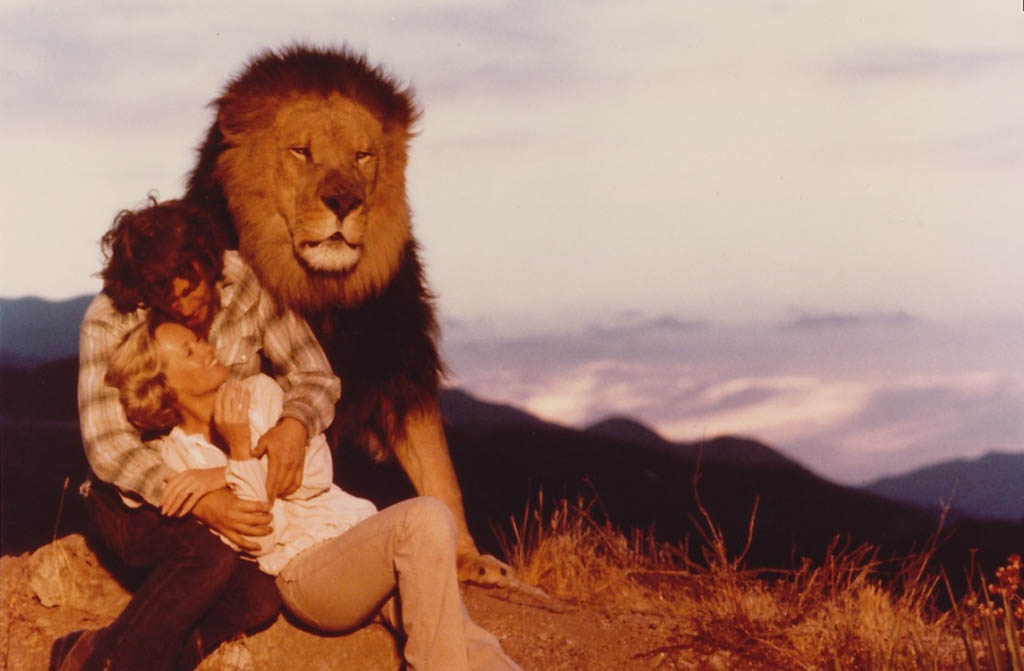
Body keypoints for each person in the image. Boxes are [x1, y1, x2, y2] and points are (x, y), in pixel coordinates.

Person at [104, 317, 523, 671]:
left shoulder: (264, 393)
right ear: (164, 385)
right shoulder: (179, 458)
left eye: (197, 339)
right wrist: (238, 450)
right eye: (188, 352)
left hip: (359, 539)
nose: (205, 348)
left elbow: (315, 474)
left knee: (460, 633)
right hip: (309, 576)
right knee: (427, 516)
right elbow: (259, 537)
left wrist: (225, 471)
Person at [53, 198, 341, 671]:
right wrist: (202, 502)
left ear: (211, 264)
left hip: (236, 476)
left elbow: (315, 375)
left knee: (260, 598)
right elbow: (109, 448)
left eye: (193, 290)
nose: (186, 309)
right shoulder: (108, 320)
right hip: (138, 495)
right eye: (168, 299)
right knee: (204, 555)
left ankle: (94, 652)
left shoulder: (244, 281)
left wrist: (295, 422)